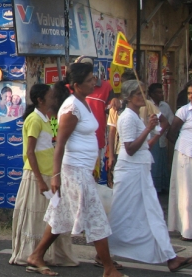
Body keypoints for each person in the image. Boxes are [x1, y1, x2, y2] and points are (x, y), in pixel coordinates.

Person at [26, 63, 124, 277]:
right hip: (73, 170)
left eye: (93, 79)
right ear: (77, 85)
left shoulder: (83, 102)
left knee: (60, 215)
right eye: (89, 80)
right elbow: (59, 144)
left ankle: (36, 255)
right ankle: (108, 267)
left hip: (82, 169)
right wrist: (56, 175)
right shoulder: (71, 107)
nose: (94, 83)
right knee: (96, 216)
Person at [108, 80, 192, 272]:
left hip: (139, 168)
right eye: (139, 94)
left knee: (146, 214)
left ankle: (169, 256)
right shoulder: (127, 118)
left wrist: (153, 131)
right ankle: (105, 251)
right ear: (129, 97)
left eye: (144, 93)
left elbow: (144, 146)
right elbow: (130, 148)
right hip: (131, 171)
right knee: (127, 213)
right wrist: (148, 129)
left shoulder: (136, 116)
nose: (143, 97)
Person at [9, 84, 78, 267]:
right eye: (50, 95)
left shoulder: (50, 119)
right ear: (41, 100)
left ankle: (55, 255)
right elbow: (30, 152)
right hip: (36, 175)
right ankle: (30, 254)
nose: (53, 98)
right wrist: (40, 180)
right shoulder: (34, 120)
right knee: (36, 216)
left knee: (54, 216)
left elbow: (56, 143)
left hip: (52, 174)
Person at [168, 80, 192, 241]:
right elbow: (172, 133)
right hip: (185, 154)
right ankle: (186, 229)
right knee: (186, 192)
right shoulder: (183, 111)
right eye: (190, 93)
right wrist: (184, 145)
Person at [148, 82, 171, 192]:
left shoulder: (165, 106)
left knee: (162, 166)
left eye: (161, 92)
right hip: (151, 139)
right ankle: (154, 189)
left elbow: (169, 121)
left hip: (162, 139)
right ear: (152, 94)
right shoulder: (148, 105)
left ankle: (162, 188)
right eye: (158, 92)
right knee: (154, 166)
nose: (161, 94)